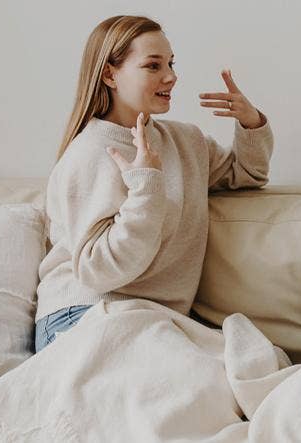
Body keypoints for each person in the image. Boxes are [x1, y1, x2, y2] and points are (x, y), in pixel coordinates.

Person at [35, 15, 273, 353]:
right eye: (153, 65)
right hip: (82, 315)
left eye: (171, 63)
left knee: (247, 362)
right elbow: (98, 272)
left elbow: (247, 174)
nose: (171, 76)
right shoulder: (88, 154)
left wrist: (251, 122)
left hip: (151, 320)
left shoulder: (185, 141)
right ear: (109, 74)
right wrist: (146, 186)